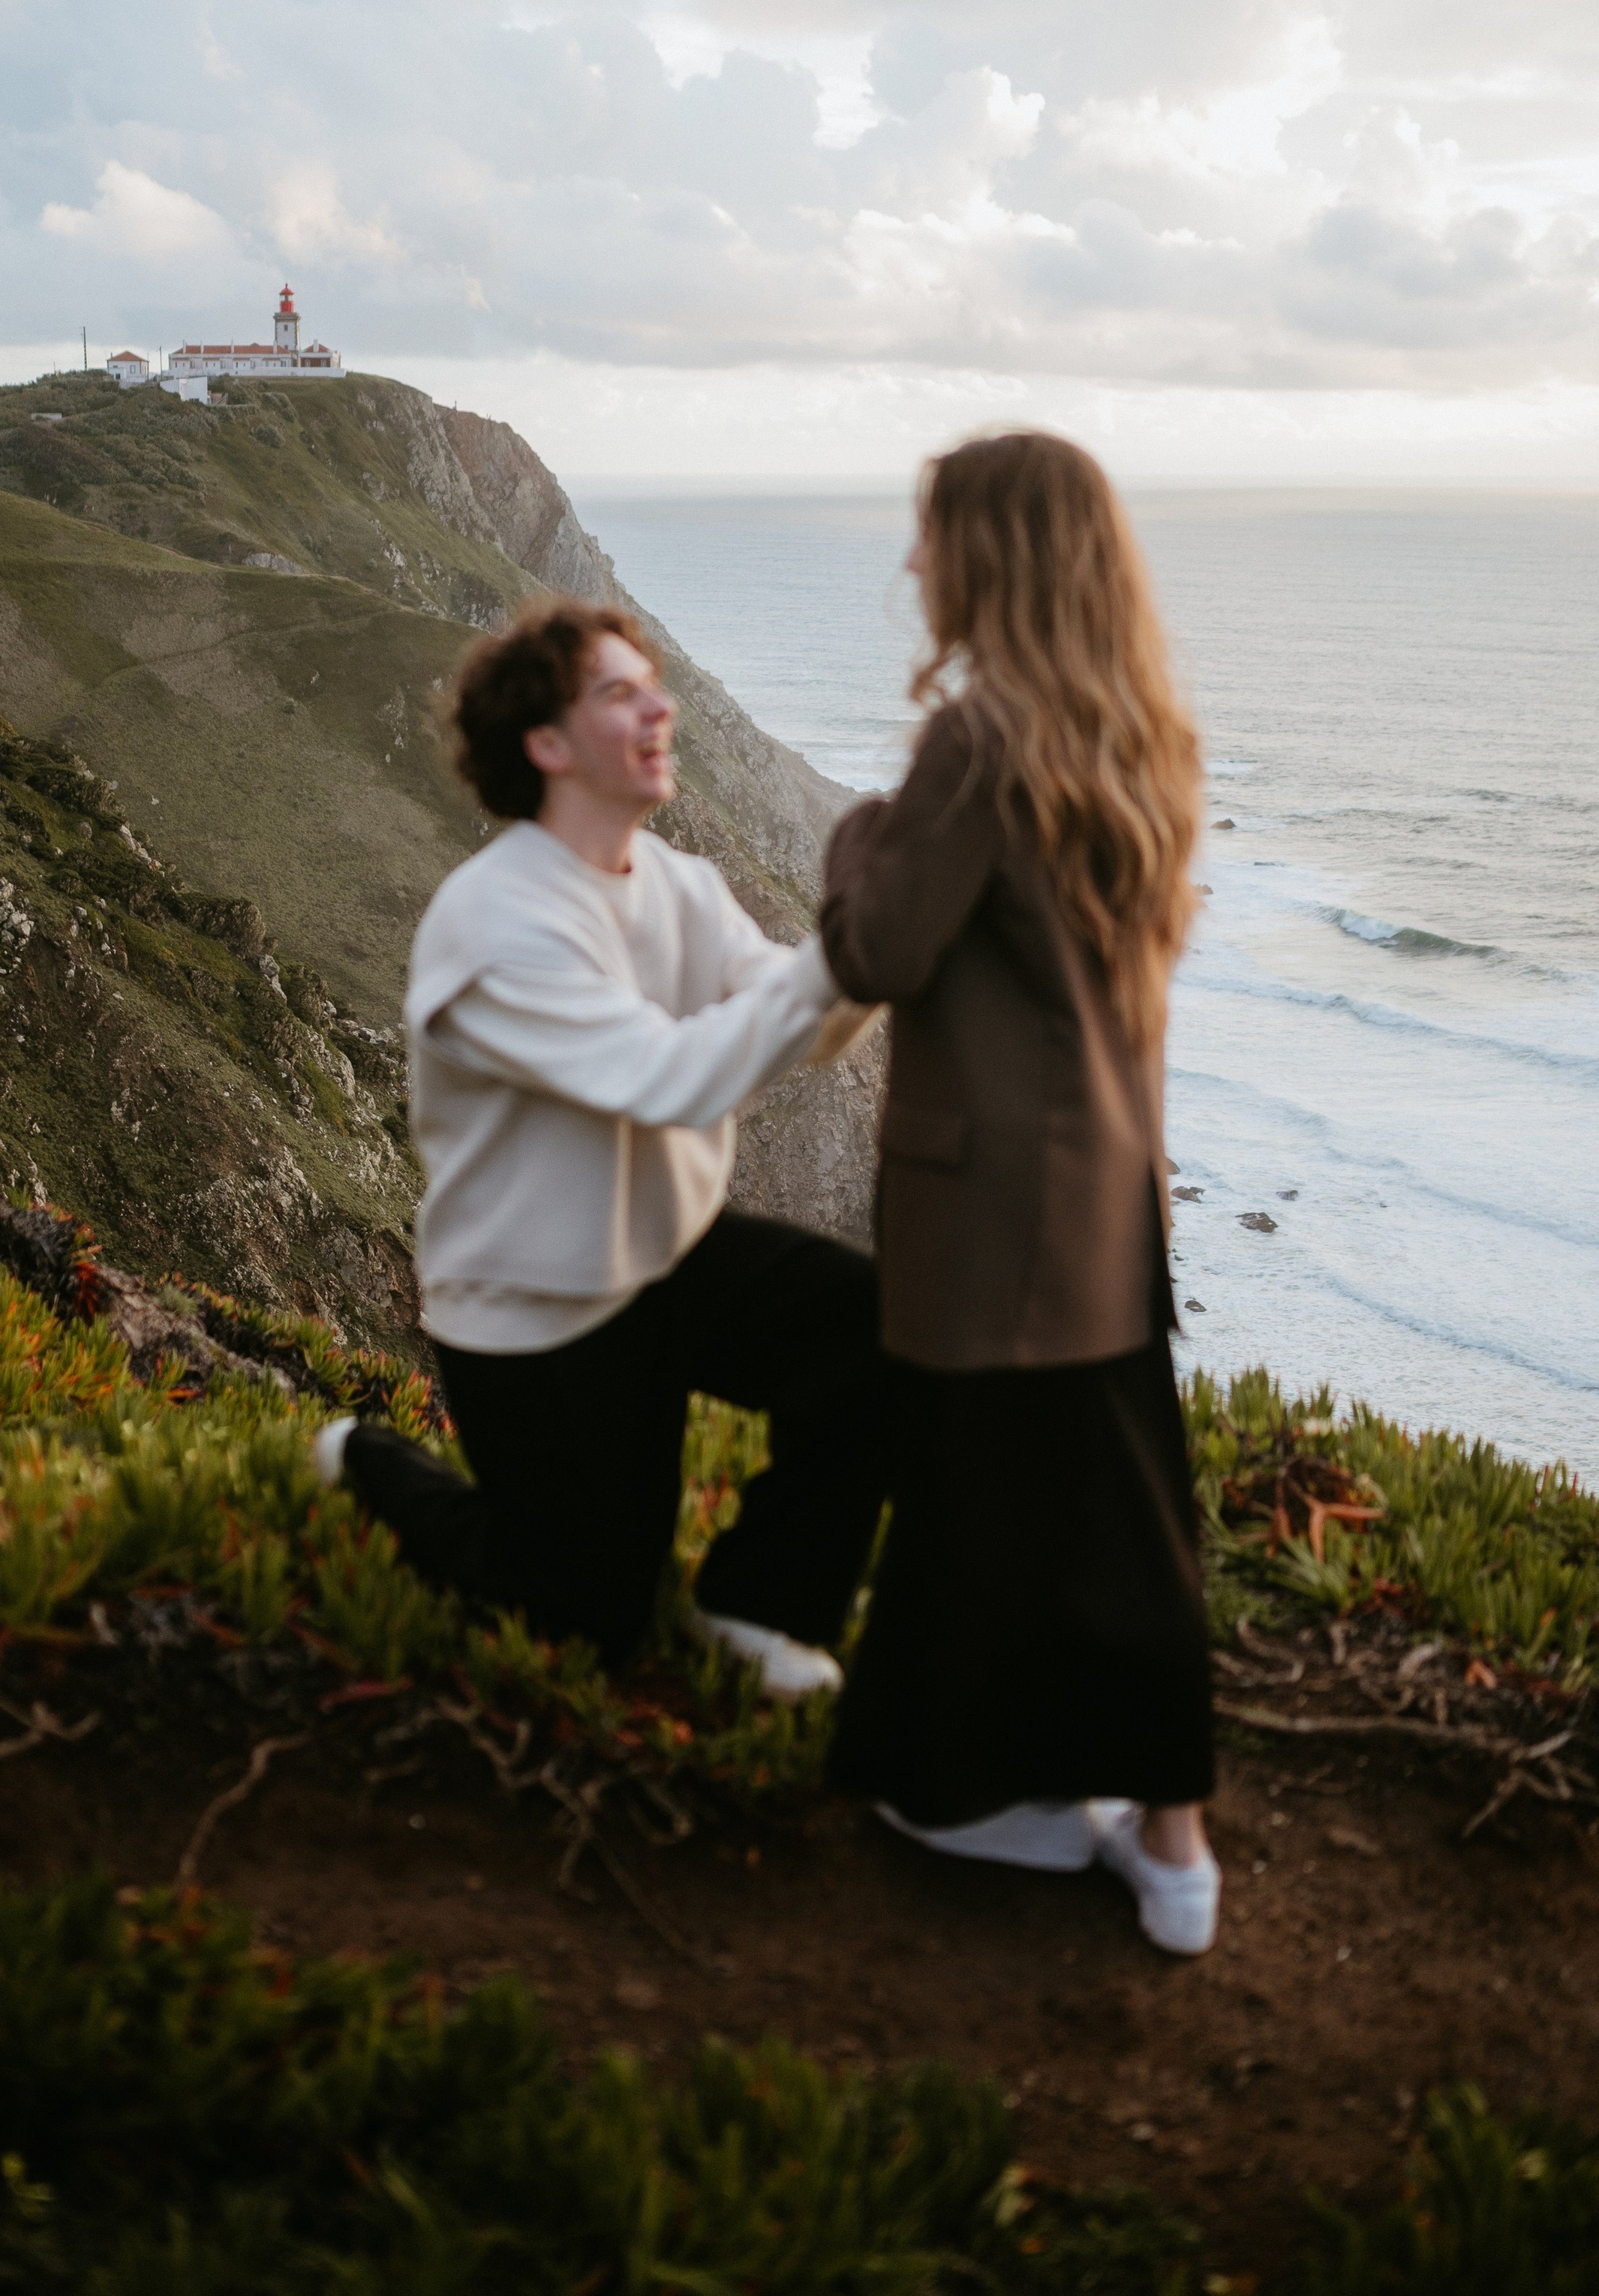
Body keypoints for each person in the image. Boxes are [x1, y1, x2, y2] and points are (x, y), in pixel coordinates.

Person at [315, 595, 887, 1697]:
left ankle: (760, 1603)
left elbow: (799, 1018)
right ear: (546, 744)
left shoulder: (678, 882)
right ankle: (368, 1461)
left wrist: (870, 955)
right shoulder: (496, 923)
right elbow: (663, 1080)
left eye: (653, 686)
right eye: (620, 693)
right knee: (586, 1619)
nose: (659, 708)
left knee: (872, 1330)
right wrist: (843, 954)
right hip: (535, 1307)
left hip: (667, 1257)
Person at [819, 432, 1219, 1957]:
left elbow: (877, 947)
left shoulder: (978, 740)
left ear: (993, 555)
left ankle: (1153, 1834)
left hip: (990, 1209)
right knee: (1108, 1489)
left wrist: (855, 827)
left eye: (930, 538)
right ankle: (1135, 1822)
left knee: (1020, 1506)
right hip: (1107, 1183)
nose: (911, 566)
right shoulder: (1137, 732)